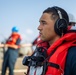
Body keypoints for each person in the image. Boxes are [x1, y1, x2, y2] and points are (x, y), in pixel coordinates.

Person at [22, 6, 76, 75]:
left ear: (60, 25)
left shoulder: (73, 55)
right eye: (40, 23)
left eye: (44, 23)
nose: (39, 28)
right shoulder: (40, 51)